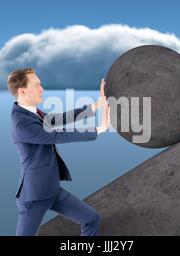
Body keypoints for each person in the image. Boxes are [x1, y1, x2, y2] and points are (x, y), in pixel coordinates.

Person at [7, 67, 110, 236]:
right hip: (34, 197)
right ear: (22, 90)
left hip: (52, 190)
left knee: (92, 219)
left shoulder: (33, 113)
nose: (42, 89)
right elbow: (56, 136)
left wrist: (96, 105)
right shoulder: (21, 123)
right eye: (37, 85)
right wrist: (100, 128)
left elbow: (60, 119)